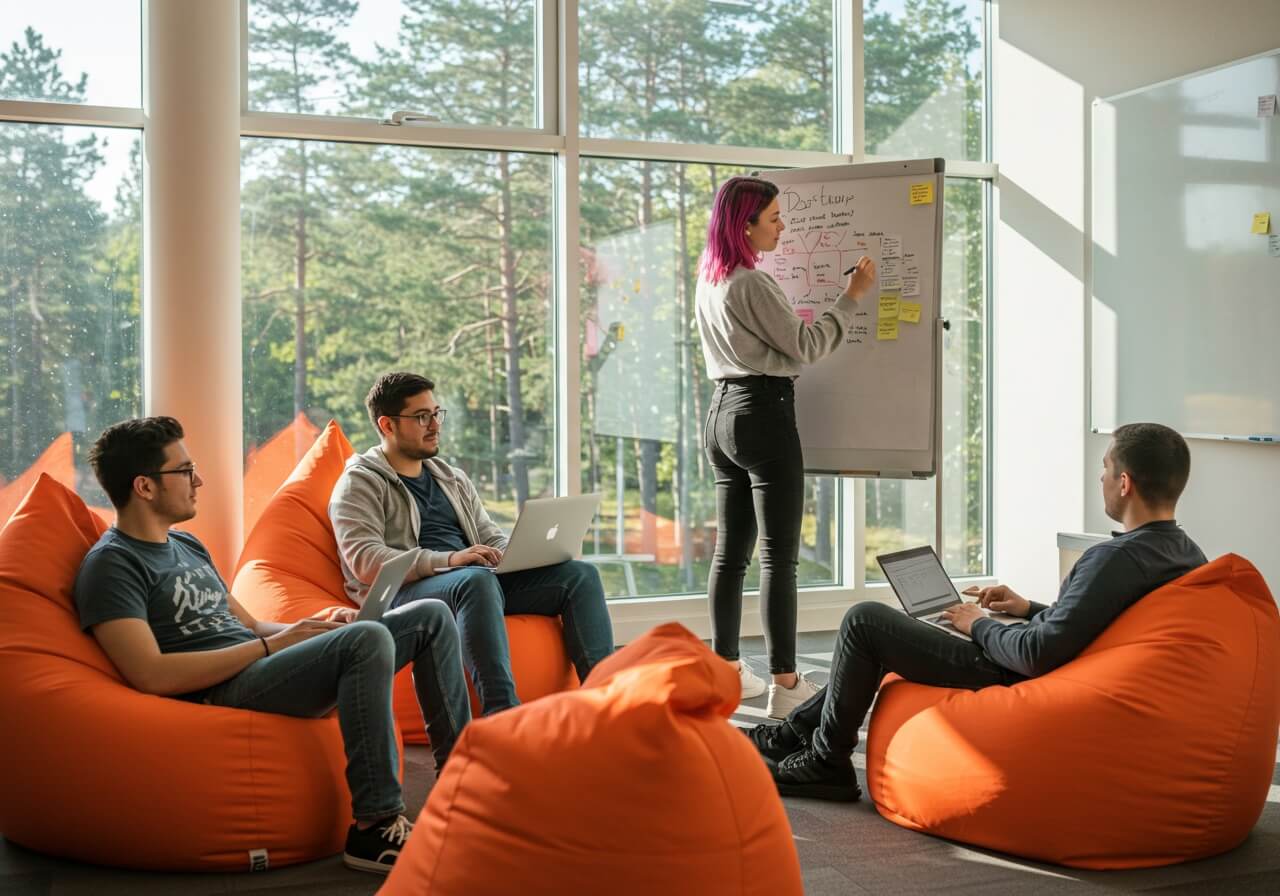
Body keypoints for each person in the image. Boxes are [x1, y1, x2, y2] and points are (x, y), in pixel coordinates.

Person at [73, 417, 472, 875]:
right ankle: (375, 824)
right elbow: (151, 673)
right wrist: (273, 648)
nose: (197, 480)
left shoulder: (186, 545)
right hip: (224, 688)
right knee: (367, 638)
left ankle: (461, 783)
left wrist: (315, 626)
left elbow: (250, 624)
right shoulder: (112, 566)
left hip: (263, 665)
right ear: (144, 486)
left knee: (429, 616)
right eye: (184, 471)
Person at [746, 423, 1207, 801]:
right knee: (887, 633)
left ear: (1124, 484)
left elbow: (1037, 654)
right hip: (1057, 659)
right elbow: (1102, 622)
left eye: (1105, 469)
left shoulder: (1115, 558)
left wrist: (979, 624)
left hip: (1014, 671)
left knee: (864, 622)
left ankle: (827, 762)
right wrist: (1028, 608)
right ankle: (792, 735)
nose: (1102, 479)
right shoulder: (1183, 552)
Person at [695, 175, 878, 719]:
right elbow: (806, 345)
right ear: (745, 224)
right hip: (762, 414)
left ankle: (727, 670)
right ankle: (786, 684)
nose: (783, 226)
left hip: (720, 416)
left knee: (731, 553)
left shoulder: (710, 278)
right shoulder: (751, 283)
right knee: (779, 556)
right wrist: (851, 298)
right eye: (774, 218)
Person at [329, 371, 614, 716]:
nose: (434, 425)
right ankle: (503, 714)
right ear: (387, 425)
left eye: (436, 414)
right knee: (475, 580)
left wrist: (520, 553)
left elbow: (487, 533)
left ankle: (606, 703)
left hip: (471, 581)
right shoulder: (358, 482)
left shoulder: (450, 476)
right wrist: (450, 560)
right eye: (422, 417)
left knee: (579, 575)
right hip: (406, 594)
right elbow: (365, 559)